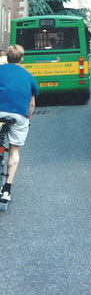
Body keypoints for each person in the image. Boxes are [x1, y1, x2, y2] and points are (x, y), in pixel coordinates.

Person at [0, 45, 38, 202]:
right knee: (14, 150)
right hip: (19, 115)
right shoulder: (28, 76)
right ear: (21, 59)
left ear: (7, 57)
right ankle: (7, 189)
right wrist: (27, 119)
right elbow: (32, 105)